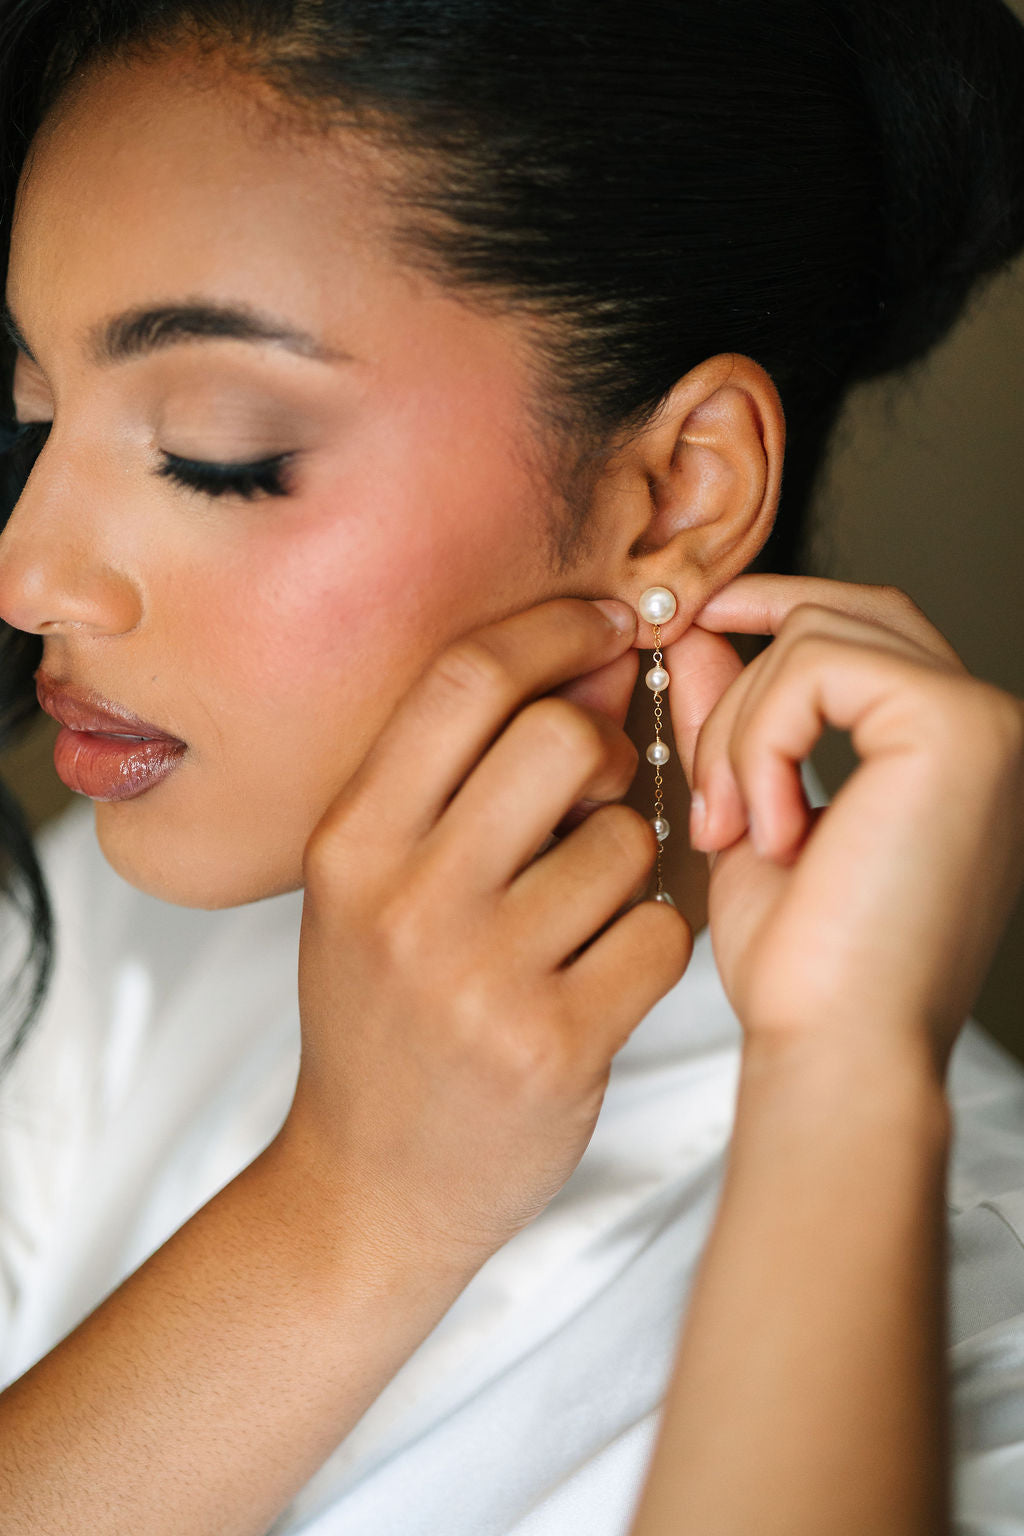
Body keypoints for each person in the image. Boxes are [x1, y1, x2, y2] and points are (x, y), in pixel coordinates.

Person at [0, 1, 1023, 1531]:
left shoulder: (962, 1297)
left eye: (221, 451)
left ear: (678, 489)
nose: (26, 575)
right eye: (31, 420)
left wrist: (843, 1087)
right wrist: (351, 1206)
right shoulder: (111, 938)